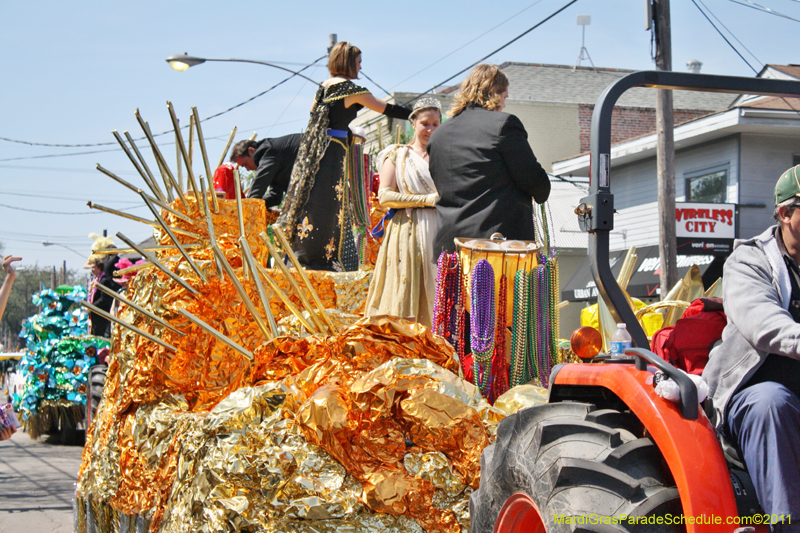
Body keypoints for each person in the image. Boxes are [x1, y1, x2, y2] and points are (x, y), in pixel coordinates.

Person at [703, 164, 800, 530]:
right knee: (770, 404)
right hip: (750, 398)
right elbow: (764, 326)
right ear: (785, 213)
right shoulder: (749, 262)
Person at [276, 41, 412, 271]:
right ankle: (322, 258)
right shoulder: (350, 89)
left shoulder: (324, 87)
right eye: (358, 62)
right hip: (333, 152)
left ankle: (303, 254)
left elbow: (315, 114)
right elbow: (385, 109)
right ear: (349, 63)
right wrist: (415, 115)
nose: (360, 67)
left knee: (313, 199)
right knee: (330, 202)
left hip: (317, 150)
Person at [427, 64, 551, 256]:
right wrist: (542, 191)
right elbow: (534, 181)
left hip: (450, 247)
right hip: (496, 246)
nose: (504, 103)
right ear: (494, 93)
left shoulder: (438, 135)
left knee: (458, 288)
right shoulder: (503, 125)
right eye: (504, 96)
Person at [364, 97, 441, 327]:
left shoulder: (444, 156)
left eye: (436, 124)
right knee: (406, 292)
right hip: (407, 230)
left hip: (438, 230)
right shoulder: (398, 154)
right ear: (414, 123)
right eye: (425, 123)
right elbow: (385, 196)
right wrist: (426, 200)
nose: (430, 129)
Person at [227, 134, 303, 208]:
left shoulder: (267, 151)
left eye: (246, 164)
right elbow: (275, 197)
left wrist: (247, 207)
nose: (248, 169)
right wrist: (259, 205)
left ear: (251, 151)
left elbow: (258, 185)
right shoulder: (274, 165)